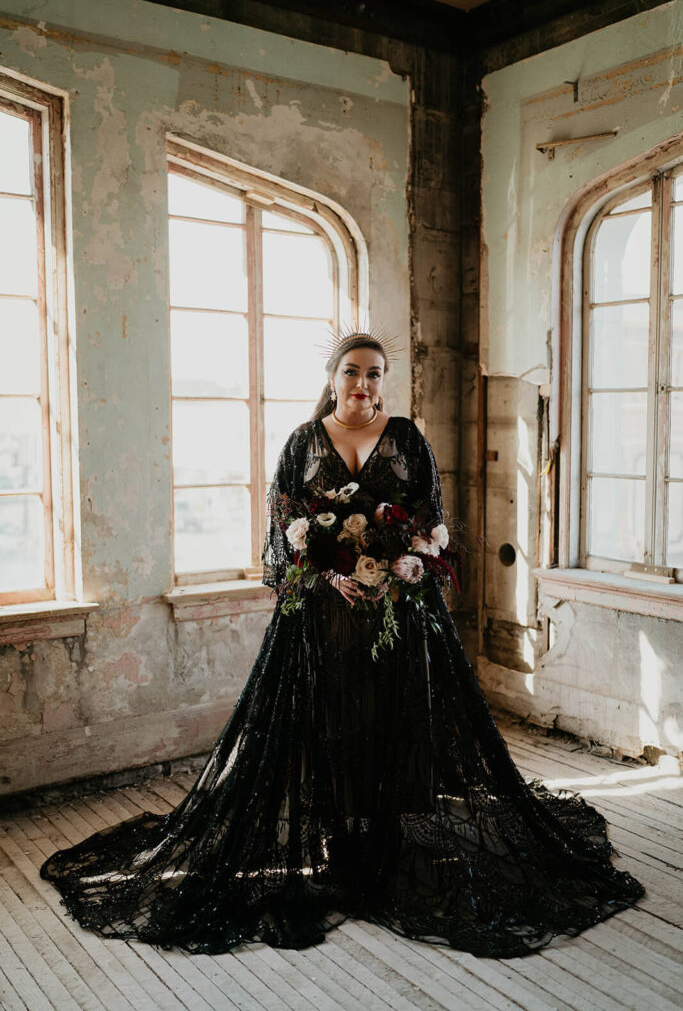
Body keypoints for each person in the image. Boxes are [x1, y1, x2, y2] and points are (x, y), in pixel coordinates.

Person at [40, 329, 645, 958]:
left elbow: (431, 521)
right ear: (333, 377)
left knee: (391, 712)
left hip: (398, 610)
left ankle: (384, 832)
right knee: (327, 717)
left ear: (384, 381)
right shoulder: (303, 443)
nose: (363, 383)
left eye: (375, 373)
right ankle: (331, 835)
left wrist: (397, 570)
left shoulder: (407, 437)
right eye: (353, 371)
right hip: (322, 615)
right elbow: (281, 537)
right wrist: (330, 576)